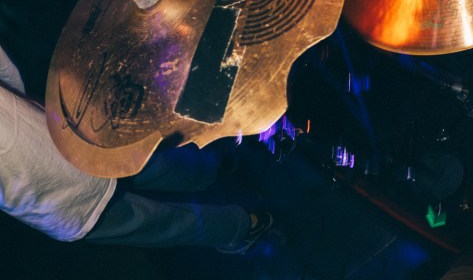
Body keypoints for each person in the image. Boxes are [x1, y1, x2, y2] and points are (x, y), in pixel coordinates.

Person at [0, 40, 273, 252]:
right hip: (50, 135)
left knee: (161, 222)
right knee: (150, 164)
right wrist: (23, 111)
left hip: (46, 190)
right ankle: (216, 168)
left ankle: (241, 226)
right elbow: (7, 71)